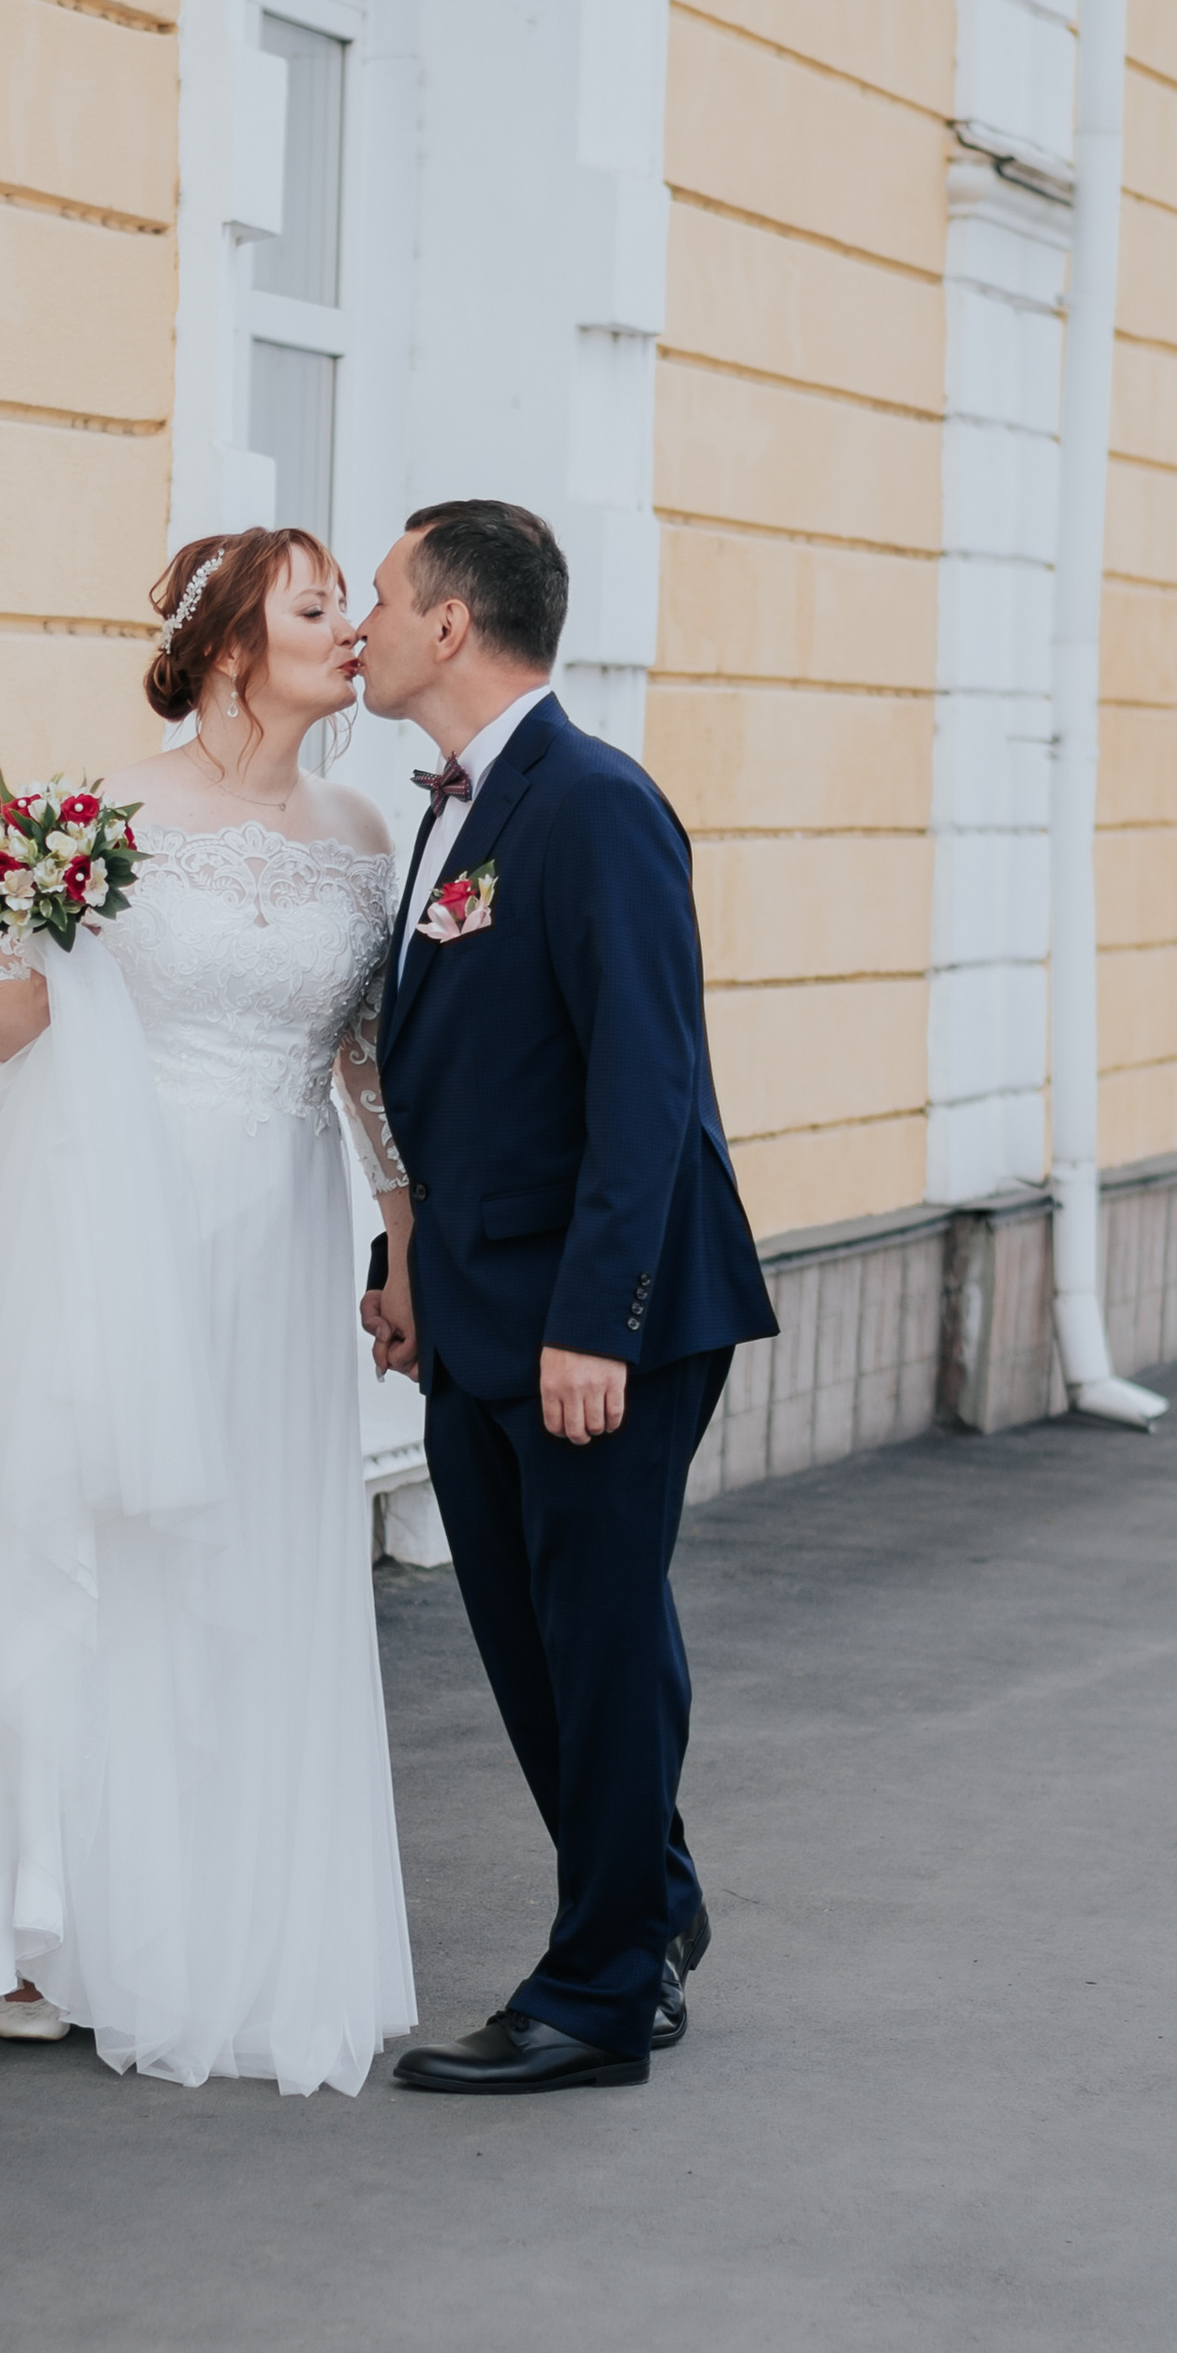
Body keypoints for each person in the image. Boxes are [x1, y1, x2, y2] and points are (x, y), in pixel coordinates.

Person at [0, 529, 418, 2097]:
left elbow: (364, 1060)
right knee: (86, 1551)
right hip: (118, 1226)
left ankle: (211, 1905)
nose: (349, 630)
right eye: (316, 608)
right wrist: (51, 942)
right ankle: (45, 1917)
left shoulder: (364, 830)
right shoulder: (109, 813)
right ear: (236, 644)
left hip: (278, 1228)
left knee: (243, 1562)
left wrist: (407, 1232)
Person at [357, 500, 777, 2093]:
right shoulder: (457, 811)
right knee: (540, 1648)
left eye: (386, 596)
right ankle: (652, 1905)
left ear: (453, 624)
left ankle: (599, 1991)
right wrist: (403, 1273)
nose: (369, 625)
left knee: (594, 1644)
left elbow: (646, 1085)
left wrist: (592, 1323)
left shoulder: (594, 804)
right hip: (474, 1318)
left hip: (601, 1323)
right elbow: (460, 1080)